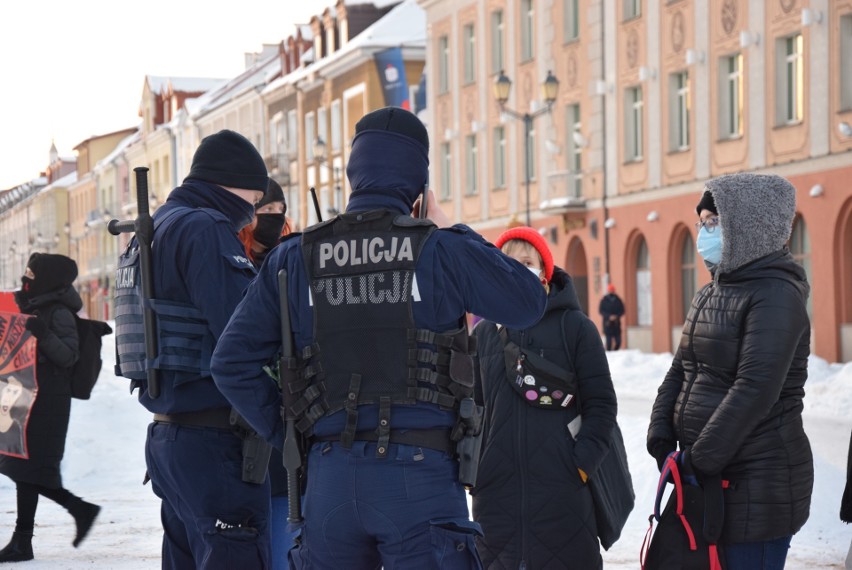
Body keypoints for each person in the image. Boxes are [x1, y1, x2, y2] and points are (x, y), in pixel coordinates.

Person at [210, 106, 547, 569]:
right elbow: (528, 301)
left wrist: (291, 428)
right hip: (420, 477)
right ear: (419, 184)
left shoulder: (295, 256)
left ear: (355, 174)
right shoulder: (440, 248)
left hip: (328, 477)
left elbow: (230, 362)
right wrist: (449, 226)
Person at [113, 129, 272, 569]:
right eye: (254, 198)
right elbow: (246, 333)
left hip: (170, 437)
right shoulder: (204, 227)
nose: (253, 212)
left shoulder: (157, 225)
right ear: (232, 182)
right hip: (215, 441)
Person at [646, 174, 813, 570]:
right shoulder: (711, 291)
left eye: (714, 223)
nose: (704, 233)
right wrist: (660, 432)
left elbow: (754, 389)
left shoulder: (776, 294)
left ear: (748, 226)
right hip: (708, 482)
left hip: (757, 488)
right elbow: (680, 369)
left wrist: (698, 459)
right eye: (703, 222)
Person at [471, 227, 617, 569]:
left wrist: (580, 465)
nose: (519, 270)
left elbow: (602, 405)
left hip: (563, 496)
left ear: (544, 273)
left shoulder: (575, 328)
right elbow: (472, 409)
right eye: (508, 263)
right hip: (495, 500)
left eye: (527, 262)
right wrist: (476, 470)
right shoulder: (483, 335)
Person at [0, 253, 100, 563]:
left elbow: (67, 357)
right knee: (20, 465)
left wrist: (41, 333)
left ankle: (28, 538)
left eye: (31, 275)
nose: (25, 280)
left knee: (29, 468)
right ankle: (34, 534)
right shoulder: (35, 306)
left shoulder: (58, 312)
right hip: (26, 396)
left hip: (48, 402)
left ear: (47, 280)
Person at [237, 177, 292, 570]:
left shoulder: (295, 257)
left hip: (293, 405)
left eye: (278, 210)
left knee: (287, 521)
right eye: (264, 211)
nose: (273, 218)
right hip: (248, 416)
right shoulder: (237, 264)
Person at [238, 178, 291, 267]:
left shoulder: (288, 260)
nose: (278, 215)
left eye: (281, 209)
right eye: (268, 209)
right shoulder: (233, 259)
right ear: (248, 214)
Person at [598, 283, 624, 351]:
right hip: (607, 323)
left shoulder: (618, 300)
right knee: (608, 342)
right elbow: (601, 311)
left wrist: (616, 316)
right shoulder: (604, 300)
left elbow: (622, 310)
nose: (611, 291)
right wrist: (609, 316)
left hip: (616, 324)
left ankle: (615, 352)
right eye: (610, 290)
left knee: (618, 341)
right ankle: (609, 354)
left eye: (612, 290)